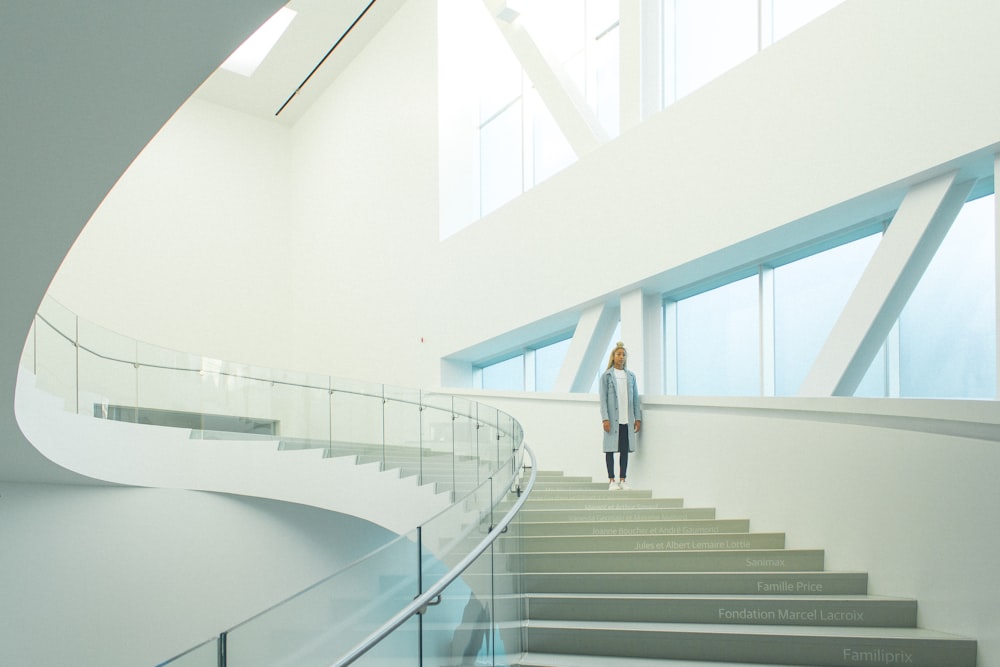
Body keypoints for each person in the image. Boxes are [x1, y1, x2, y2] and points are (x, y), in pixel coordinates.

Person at [599, 341, 642, 491]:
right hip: (612, 419)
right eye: (618, 354)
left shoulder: (631, 376)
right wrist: (605, 418)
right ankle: (612, 480)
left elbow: (636, 398)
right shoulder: (606, 376)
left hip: (627, 419)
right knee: (610, 449)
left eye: (623, 355)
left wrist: (638, 418)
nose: (621, 357)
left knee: (624, 450)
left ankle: (623, 479)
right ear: (613, 356)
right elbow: (603, 399)